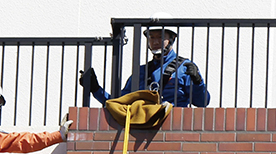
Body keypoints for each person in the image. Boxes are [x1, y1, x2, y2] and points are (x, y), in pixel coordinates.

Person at [78, 12, 210, 108]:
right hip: (144, 127)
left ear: (172, 39)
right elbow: (119, 103)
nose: (156, 41)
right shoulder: (141, 72)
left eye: (161, 37)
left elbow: (202, 102)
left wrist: (198, 82)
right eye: (152, 37)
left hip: (174, 126)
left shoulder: (184, 68)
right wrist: (95, 89)